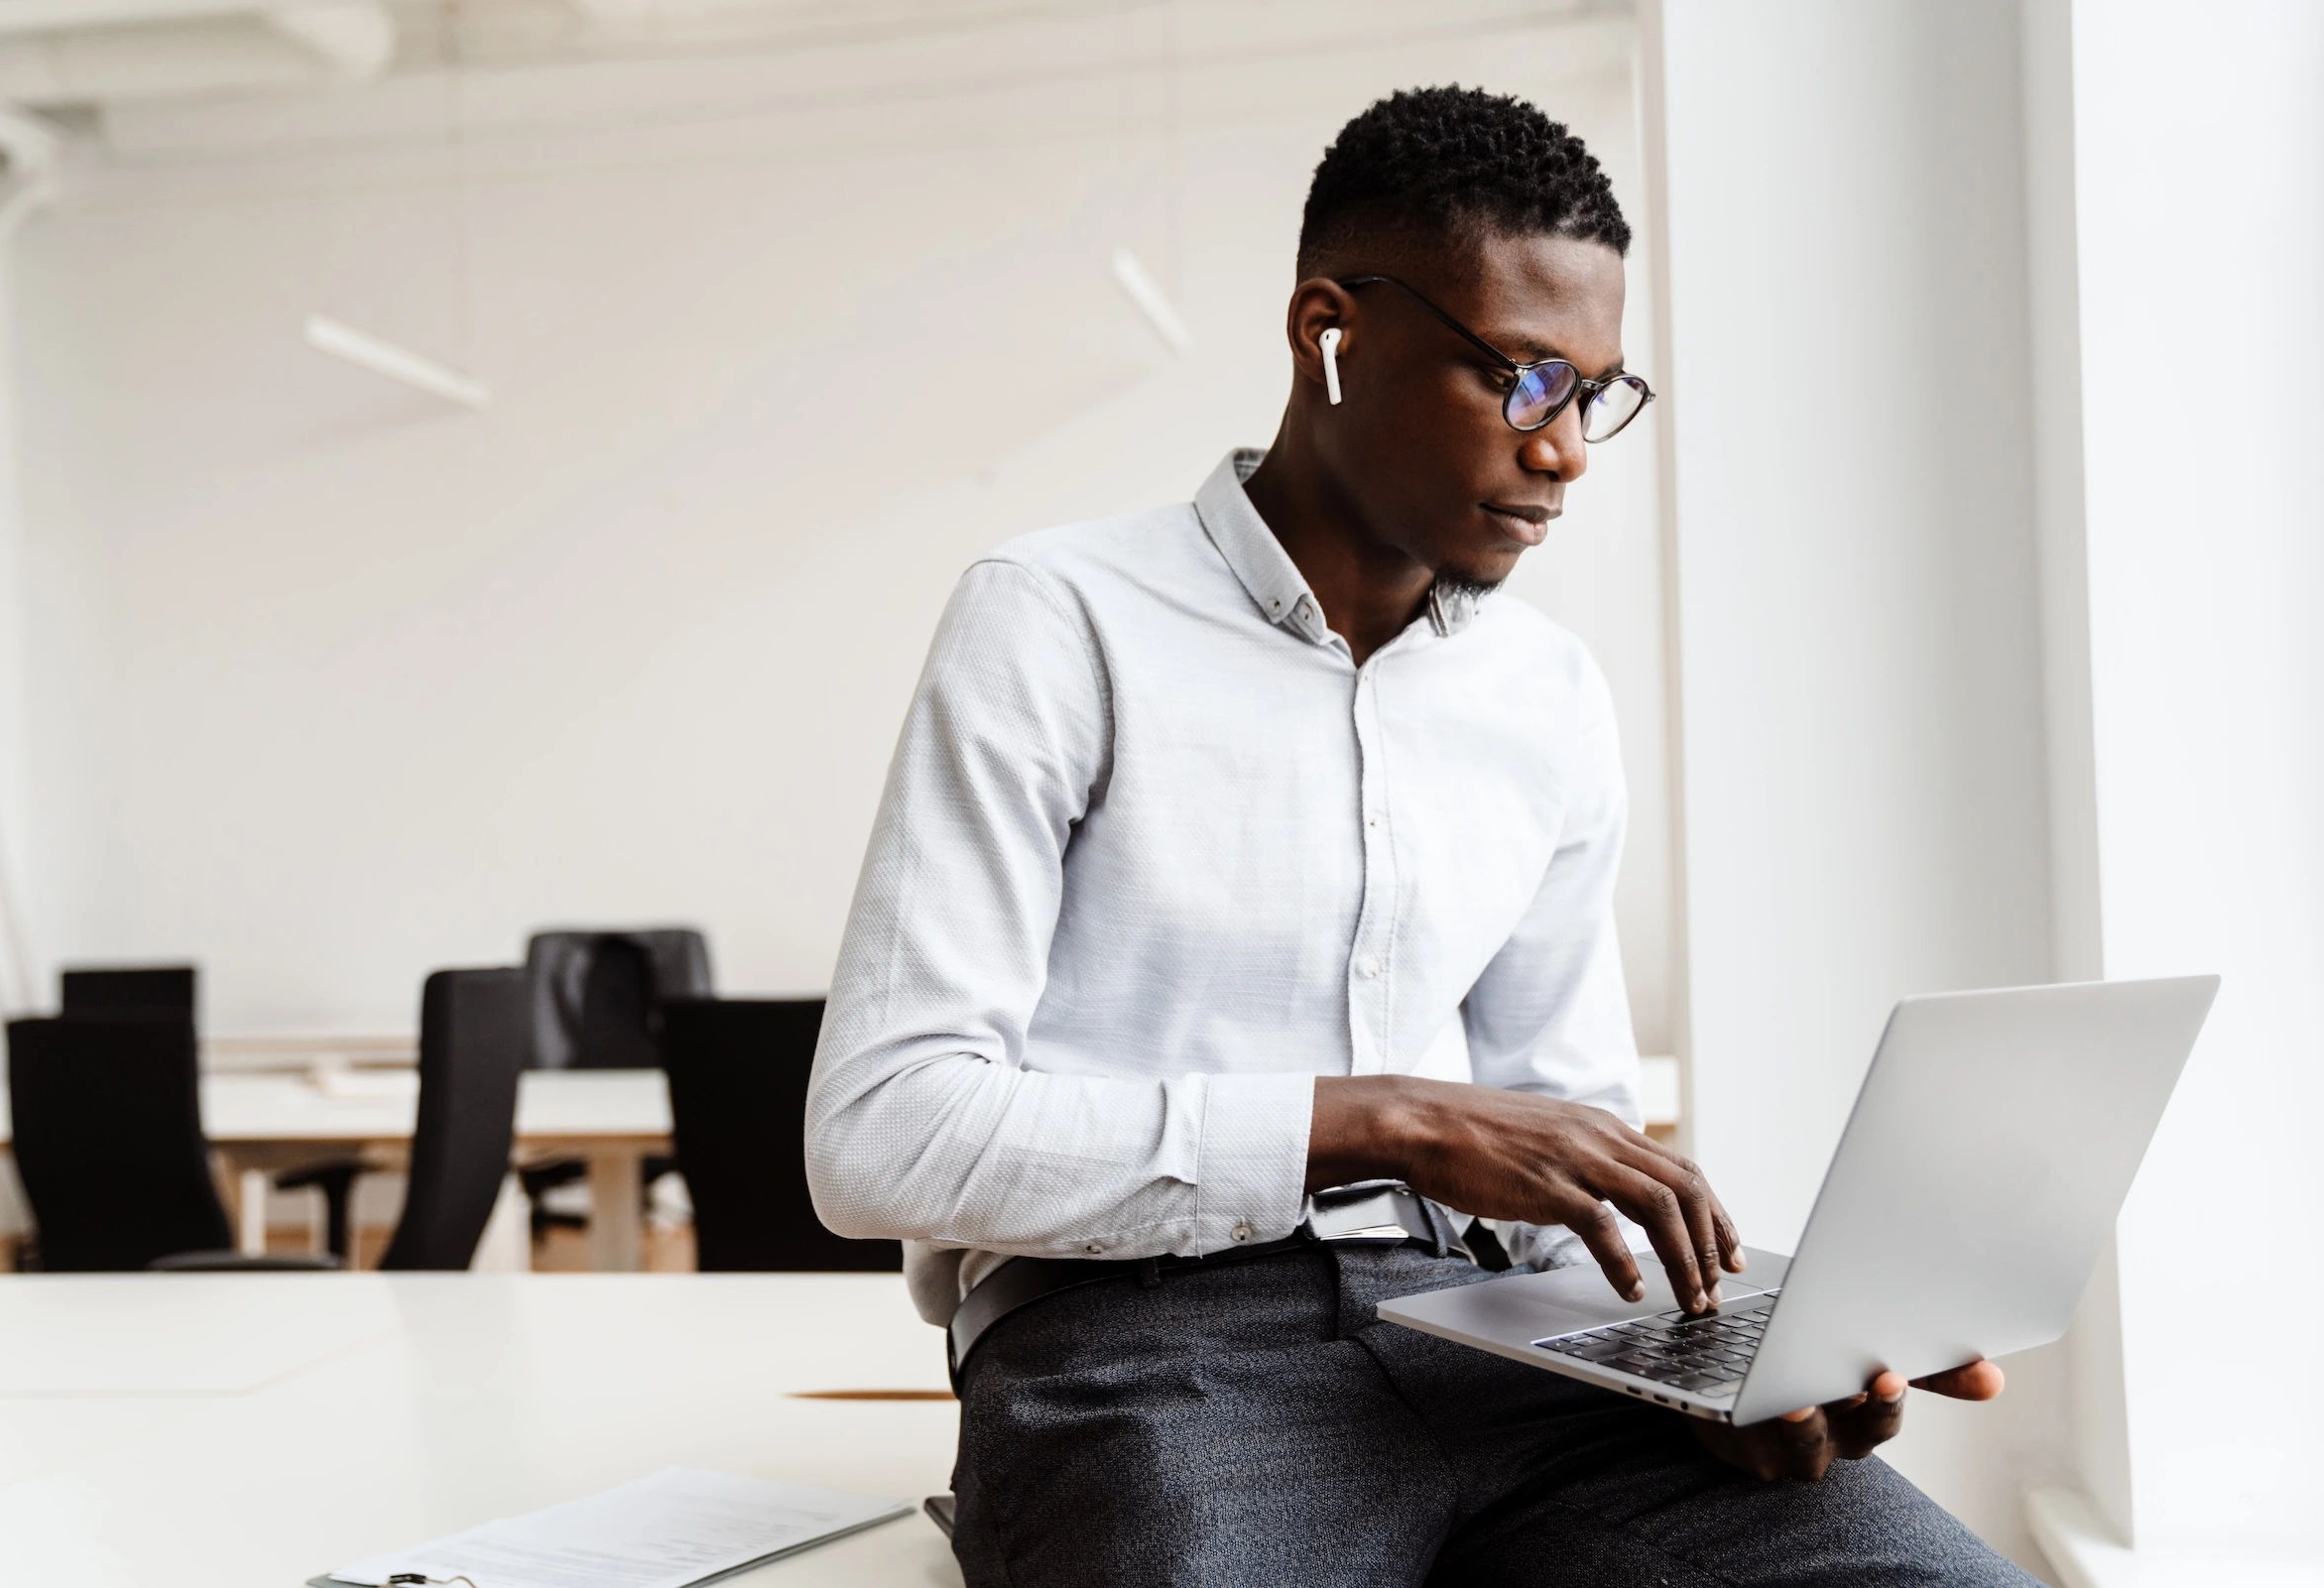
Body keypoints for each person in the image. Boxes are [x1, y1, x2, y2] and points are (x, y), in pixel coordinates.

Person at [807, 85, 2027, 1587]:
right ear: (1332, 330)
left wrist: (1713, 1360)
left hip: (1510, 1351)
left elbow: (1560, 1140)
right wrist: (1380, 1119)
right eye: (1524, 380)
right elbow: (879, 1137)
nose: (1567, 450)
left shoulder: (1546, 696)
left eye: (1597, 393)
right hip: (1146, 1347)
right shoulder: (1056, 621)